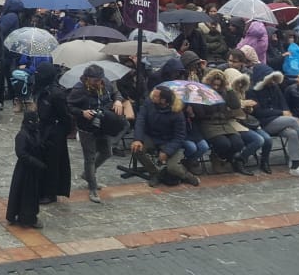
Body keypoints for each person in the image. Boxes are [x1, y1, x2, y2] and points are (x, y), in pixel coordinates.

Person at [66, 64, 127, 203]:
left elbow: (116, 93)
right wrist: (82, 112)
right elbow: (69, 106)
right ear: (87, 79)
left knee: (107, 152)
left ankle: (88, 175)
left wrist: (118, 100)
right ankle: (92, 188)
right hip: (86, 128)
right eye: (95, 81)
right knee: (90, 158)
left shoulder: (105, 84)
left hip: (102, 123)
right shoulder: (78, 89)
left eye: (100, 80)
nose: (99, 83)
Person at [132, 85, 201, 187]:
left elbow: (180, 136)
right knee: (137, 150)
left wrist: (167, 152)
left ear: (163, 101)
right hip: (151, 136)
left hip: (170, 140)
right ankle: (155, 174)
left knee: (172, 168)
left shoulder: (177, 112)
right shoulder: (148, 103)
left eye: (155, 96)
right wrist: (137, 139)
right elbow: (140, 121)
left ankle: (186, 175)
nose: (152, 97)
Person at [33, 63, 73, 203]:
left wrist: (62, 132)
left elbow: (65, 116)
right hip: (44, 129)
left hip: (54, 132)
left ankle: (51, 193)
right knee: (44, 159)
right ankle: (43, 189)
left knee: (53, 162)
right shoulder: (42, 90)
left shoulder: (57, 94)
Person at [6, 110, 47, 228]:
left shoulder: (35, 132)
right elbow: (21, 153)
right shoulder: (22, 135)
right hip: (24, 170)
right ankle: (26, 218)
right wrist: (36, 163)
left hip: (32, 170)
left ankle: (28, 216)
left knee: (31, 194)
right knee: (25, 194)